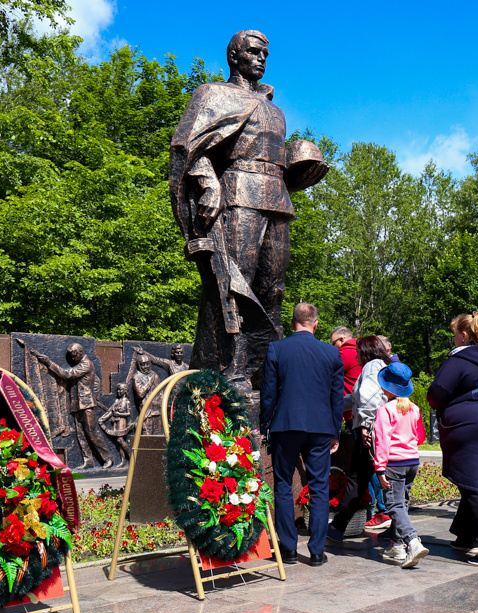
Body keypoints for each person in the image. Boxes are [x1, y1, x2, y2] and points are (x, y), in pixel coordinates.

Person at [169, 30, 327, 396]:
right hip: (238, 197)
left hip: (277, 200)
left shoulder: (276, 109)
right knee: (233, 285)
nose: (261, 59)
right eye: (254, 52)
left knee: (272, 290)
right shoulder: (214, 94)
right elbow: (190, 147)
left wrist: (301, 169)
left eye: (265, 55)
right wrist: (209, 182)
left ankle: (262, 372)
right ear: (234, 56)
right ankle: (229, 371)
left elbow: (274, 161)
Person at [260, 303, 343, 566]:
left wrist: (265, 425)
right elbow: (336, 396)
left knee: (283, 485)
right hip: (320, 428)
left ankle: (289, 548)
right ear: (315, 324)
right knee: (319, 487)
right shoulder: (331, 352)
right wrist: (335, 431)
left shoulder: (277, 348)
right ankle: (317, 551)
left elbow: (268, 393)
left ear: (293, 321)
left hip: (286, 425)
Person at [427, 311, 478, 567]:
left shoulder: (458, 360)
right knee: (476, 480)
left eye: (455, 335)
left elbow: (436, 394)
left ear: (464, 335)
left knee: (477, 486)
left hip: (469, 427)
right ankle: (466, 537)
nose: (454, 340)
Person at [327, 335, 393, 543]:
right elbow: (357, 399)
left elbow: (367, 397)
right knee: (384, 478)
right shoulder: (383, 365)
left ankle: (338, 526)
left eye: (358, 351)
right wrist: (333, 404)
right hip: (382, 430)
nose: (355, 356)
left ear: (365, 351)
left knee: (358, 479)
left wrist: (364, 424)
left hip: (369, 432)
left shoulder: (372, 366)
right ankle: (396, 527)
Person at [372, 362, 429, 568]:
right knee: (402, 503)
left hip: (393, 463)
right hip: (412, 461)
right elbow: (420, 437)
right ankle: (397, 544)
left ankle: (412, 542)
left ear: (387, 387)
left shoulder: (385, 410)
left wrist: (379, 468)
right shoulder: (414, 408)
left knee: (394, 505)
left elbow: (382, 441)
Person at [31, 343, 114, 470]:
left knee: (92, 432)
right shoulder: (80, 364)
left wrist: (49, 362)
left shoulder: (86, 364)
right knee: (81, 434)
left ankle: (108, 458)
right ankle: (88, 460)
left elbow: (66, 374)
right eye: (71, 356)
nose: (73, 358)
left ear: (81, 352)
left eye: (74, 355)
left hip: (86, 404)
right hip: (77, 404)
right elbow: (96, 381)